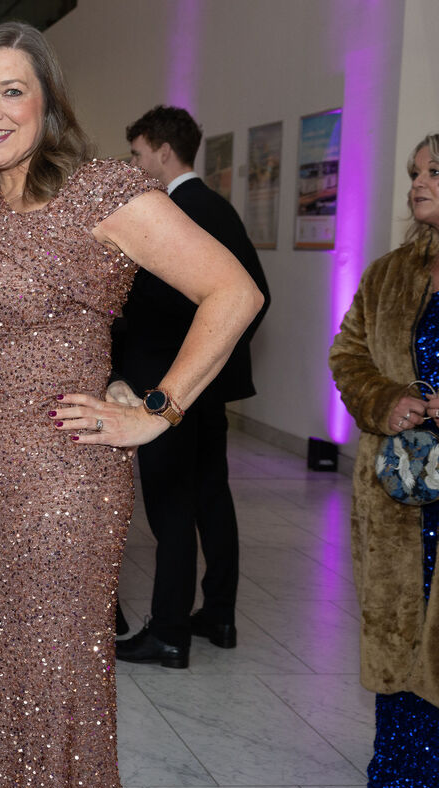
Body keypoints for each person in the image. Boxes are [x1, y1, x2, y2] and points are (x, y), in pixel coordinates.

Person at [0, 21, 263, 788]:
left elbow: (234, 291)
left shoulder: (101, 191)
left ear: (49, 105)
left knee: (50, 687)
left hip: (57, 491)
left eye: (13, 91)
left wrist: (157, 409)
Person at [113, 105, 271, 667]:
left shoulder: (176, 212)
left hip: (170, 389)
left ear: (161, 149)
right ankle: (219, 614)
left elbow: (238, 297)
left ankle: (171, 630)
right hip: (204, 388)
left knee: (171, 508)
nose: (134, 164)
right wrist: (215, 368)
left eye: (136, 153)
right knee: (210, 496)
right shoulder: (217, 206)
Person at [329, 132, 439, 788]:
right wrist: (387, 399)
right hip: (399, 491)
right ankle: (403, 766)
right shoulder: (388, 273)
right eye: (414, 172)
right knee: (399, 620)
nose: (417, 182)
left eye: (434, 171)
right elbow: (348, 357)